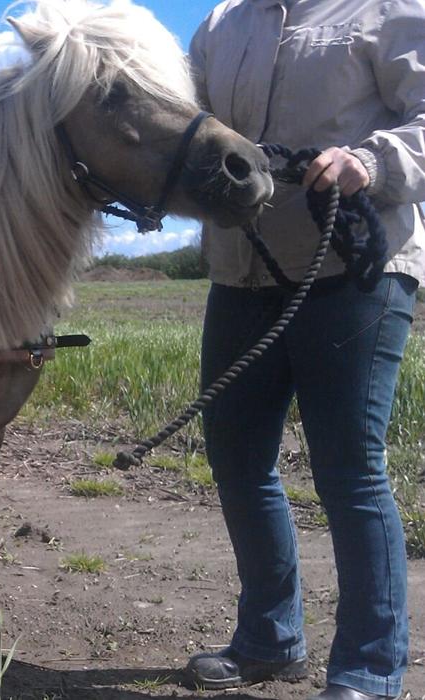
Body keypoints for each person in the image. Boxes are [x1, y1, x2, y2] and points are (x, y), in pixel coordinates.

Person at [183, 0, 425, 698]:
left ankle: (369, 671)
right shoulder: (222, 24)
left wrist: (370, 162)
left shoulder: (390, 9)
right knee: (236, 459)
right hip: (242, 269)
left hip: (353, 268)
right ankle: (269, 640)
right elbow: (186, 124)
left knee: (350, 472)